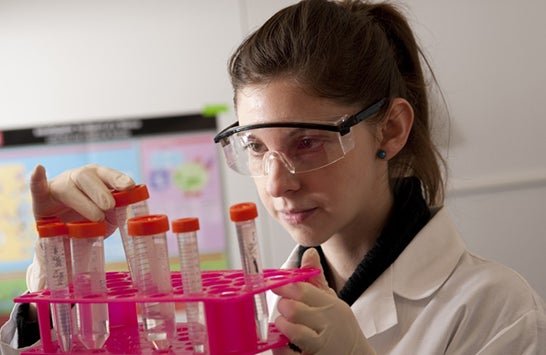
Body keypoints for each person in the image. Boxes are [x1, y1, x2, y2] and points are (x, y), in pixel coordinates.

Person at [1, 0, 545, 354]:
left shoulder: (493, 307)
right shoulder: (245, 306)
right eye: (256, 147)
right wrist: (67, 274)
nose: (275, 183)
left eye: (306, 143)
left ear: (391, 129)